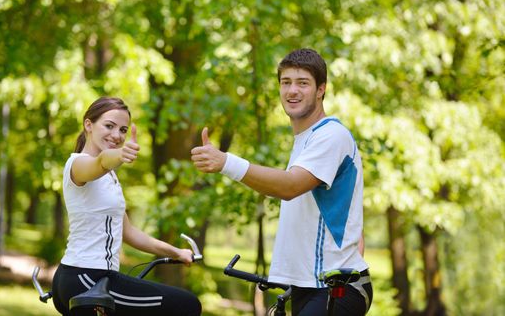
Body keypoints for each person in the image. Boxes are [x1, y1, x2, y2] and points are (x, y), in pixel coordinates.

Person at [191, 48, 372, 315]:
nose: (292, 91)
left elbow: (289, 187)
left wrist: (226, 162)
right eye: (286, 82)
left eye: (302, 83)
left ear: (321, 89)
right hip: (308, 287)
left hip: (336, 288)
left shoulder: (331, 135)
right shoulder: (305, 140)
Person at [52, 97, 201, 316]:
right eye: (109, 126)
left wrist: (176, 252)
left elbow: (129, 232)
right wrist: (121, 154)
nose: (117, 135)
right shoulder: (78, 164)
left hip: (84, 279)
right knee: (187, 305)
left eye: (123, 129)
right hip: (87, 278)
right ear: (88, 125)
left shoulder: (109, 177)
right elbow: (100, 161)